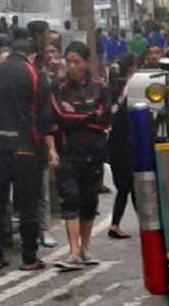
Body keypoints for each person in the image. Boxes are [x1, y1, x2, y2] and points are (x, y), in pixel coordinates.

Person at [0, 39, 59, 270]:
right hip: (26, 148)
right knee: (28, 205)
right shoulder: (34, 74)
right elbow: (45, 118)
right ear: (32, 55)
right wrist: (51, 149)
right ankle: (30, 257)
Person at [51, 42, 111, 270]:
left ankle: (85, 249)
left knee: (90, 201)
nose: (72, 66)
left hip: (94, 154)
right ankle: (73, 252)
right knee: (70, 200)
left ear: (87, 63)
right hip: (69, 154)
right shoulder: (59, 87)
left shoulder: (100, 87)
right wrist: (90, 114)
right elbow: (61, 116)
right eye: (69, 61)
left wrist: (79, 115)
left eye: (77, 62)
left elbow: (105, 119)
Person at [37, 40, 67, 248]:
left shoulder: (63, 73)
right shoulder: (36, 74)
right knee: (43, 183)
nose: (50, 55)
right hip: (43, 131)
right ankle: (43, 226)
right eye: (47, 52)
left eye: (53, 51)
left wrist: (58, 71)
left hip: (61, 129)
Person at [107, 54, 138, 239]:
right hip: (128, 141)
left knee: (126, 187)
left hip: (114, 143)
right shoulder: (132, 88)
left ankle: (116, 224)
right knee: (131, 186)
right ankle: (117, 224)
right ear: (132, 68)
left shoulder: (111, 88)